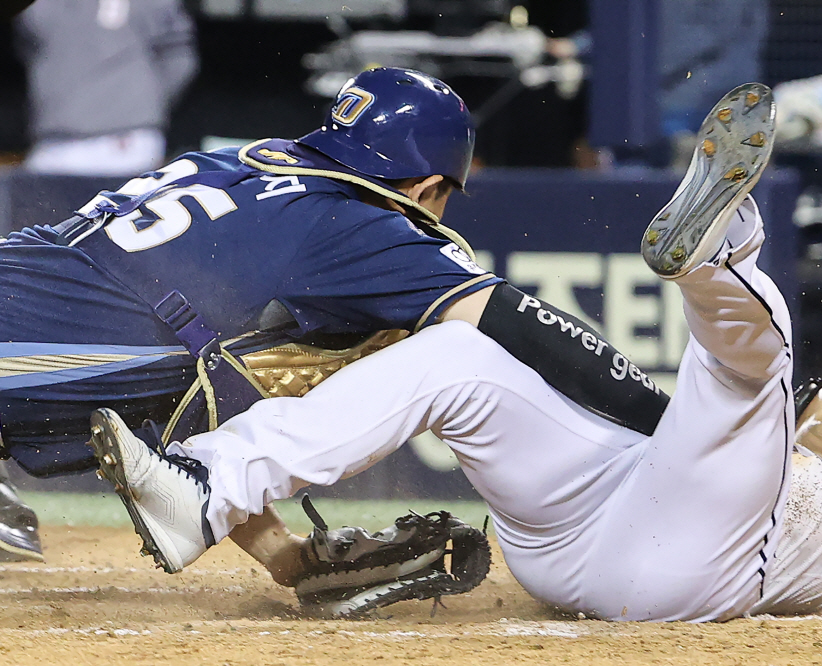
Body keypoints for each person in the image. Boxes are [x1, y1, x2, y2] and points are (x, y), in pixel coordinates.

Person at [93, 81, 822, 621]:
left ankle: (721, 249)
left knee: (756, 362)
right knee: (460, 360)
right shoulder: (769, 441)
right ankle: (208, 487)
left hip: (706, 562)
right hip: (575, 532)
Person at [0, 66, 666, 581]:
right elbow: (520, 325)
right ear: (429, 186)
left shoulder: (244, 162)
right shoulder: (360, 226)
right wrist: (675, 421)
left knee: (231, 351)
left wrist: (284, 556)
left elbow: (212, 374)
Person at [14, 0, 199, 175]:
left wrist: (140, 107)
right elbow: (28, 47)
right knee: (34, 204)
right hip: (52, 140)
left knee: (121, 206)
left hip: (123, 139)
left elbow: (179, 56)